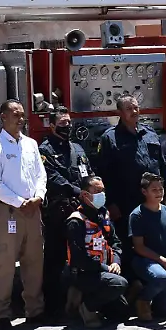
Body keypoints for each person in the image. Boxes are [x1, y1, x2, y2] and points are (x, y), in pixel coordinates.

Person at [0, 99, 47, 330]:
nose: (20, 119)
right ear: (3, 117)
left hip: (33, 211)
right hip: (9, 213)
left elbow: (41, 175)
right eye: (15, 115)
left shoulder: (31, 144)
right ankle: (1, 314)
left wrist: (38, 197)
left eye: (22, 115)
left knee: (34, 262)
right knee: (4, 264)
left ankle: (34, 310)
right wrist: (20, 202)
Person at [38, 106, 94, 318]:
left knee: (81, 257)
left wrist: (94, 189)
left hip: (81, 213)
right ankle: (52, 307)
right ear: (52, 126)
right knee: (54, 260)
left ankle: (81, 303)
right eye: (62, 124)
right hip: (58, 214)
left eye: (69, 123)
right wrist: (78, 192)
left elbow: (88, 172)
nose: (67, 127)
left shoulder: (78, 149)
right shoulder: (44, 151)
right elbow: (52, 179)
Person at [96, 96, 166, 245]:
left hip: (152, 201)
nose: (134, 111)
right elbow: (103, 173)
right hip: (126, 204)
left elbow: (162, 165)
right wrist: (111, 203)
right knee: (128, 245)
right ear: (119, 112)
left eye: (136, 107)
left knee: (155, 242)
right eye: (129, 109)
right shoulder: (110, 138)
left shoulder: (150, 133)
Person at [65, 175, 128, 328]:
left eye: (103, 191)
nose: (102, 195)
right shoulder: (76, 221)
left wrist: (115, 262)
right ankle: (85, 307)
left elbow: (116, 242)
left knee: (122, 313)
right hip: (83, 273)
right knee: (119, 284)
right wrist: (106, 268)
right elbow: (78, 258)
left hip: (104, 271)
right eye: (97, 191)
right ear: (85, 195)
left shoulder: (103, 215)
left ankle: (93, 302)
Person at [128, 173, 166, 321]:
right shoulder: (137, 215)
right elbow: (139, 247)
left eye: (161, 189)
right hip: (144, 261)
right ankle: (142, 300)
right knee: (161, 278)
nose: (159, 193)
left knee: (161, 312)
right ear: (144, 192)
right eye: (154, 190)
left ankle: (142, 292)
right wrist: (163, 261)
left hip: (164, 262)